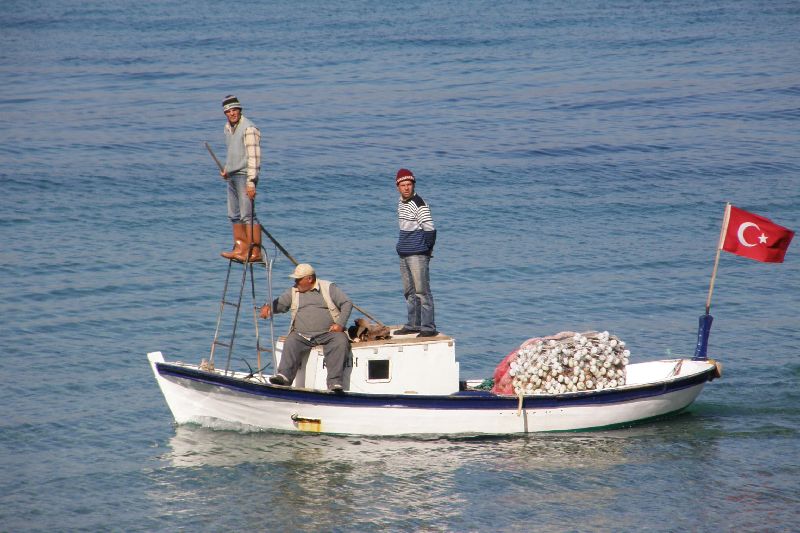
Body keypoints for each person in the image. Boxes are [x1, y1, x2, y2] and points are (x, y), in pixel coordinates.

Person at [259, 263, 353, 391]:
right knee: (291, 341)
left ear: (309, 279)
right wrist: (268, 307)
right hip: (301, 335)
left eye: (298, 279)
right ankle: (284, 377)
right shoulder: (294, 291)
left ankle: (334, 382)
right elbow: (281, 304)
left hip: (328, 333)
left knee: (340, 341)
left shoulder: (328, 287)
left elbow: (347, 303)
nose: (295, 282)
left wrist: (340, 324)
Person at [393, 168, 438, 337]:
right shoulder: (401, 203)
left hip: (418, 254)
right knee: (409, 292)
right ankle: (413, 325)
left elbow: (430, 229)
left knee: (422, 292)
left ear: (413, 185)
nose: (406, 188)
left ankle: (428, 327)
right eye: (403, 185)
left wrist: (427, 250)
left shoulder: (419, 204)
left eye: (409, 184)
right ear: (398, 187)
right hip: (404, 254)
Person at [219, 95, 263, 262]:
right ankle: (240, 248)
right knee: (234, 214)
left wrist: (251, 183)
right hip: (232, 176)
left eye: (234, 110)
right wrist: (227, 169)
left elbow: (254, 158)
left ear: (239, 110)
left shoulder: (249, 129)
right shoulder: (227, 128)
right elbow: (233, 152)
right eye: (228, 111)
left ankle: (255, 252)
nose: (232, 113)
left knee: (248, 215)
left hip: (244, 176)